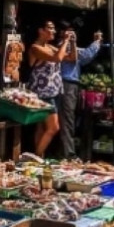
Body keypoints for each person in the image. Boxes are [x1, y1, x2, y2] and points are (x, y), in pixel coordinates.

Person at [59, 24, 103, 159]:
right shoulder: (64, 47)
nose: (72, 35)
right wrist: (96, 42)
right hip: (66, 85)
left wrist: (96, 42)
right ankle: (69, 154)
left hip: (70, 86)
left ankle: (65, 152)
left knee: (66, 119)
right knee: (67, 119)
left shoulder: (70, 47)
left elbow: (84, 55)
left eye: (73, 32)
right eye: (69, 32)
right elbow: (84, 55)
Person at [27, 19, 68, 157]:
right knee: (53, 127)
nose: (54, 31)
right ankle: (37, 155)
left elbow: (71, 57)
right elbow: (58, 58)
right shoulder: (35, 48)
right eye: (50, 28)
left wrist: (72, 42)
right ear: (41, 31)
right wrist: (66, 41)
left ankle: (40, 154)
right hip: (43, 92)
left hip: (53, 91)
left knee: (41, 127)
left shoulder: (50, 47)